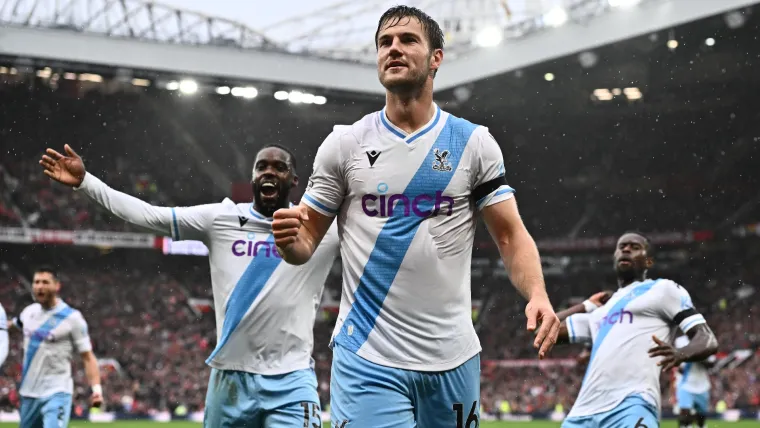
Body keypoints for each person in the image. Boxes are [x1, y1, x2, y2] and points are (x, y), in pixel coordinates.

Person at [271, 6, 560, 427]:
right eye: (384, 42)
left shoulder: (473, 143)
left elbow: (511, 236)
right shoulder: (344, 144)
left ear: (436, 58)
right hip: (367, 355)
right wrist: (289, 241)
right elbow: (306, 244)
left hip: (453, 357)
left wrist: (537, 293)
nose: (394, 49)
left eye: (408, 40)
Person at [39, 144, 338, 427]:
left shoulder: (319, 229)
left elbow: (375, 236)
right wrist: (86, 182)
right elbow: (148, 214)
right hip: (230, 379)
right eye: (262, 166)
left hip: (292, 378)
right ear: (253, 178)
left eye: (279, 167)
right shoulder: (221, 218)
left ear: (295, 180)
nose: (269, 172)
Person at [555, 232, 719, 428]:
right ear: (615, 257)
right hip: (582, 413)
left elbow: (707, 339)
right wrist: (586, 305)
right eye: (621, 246)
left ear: (648, 262)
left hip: (631, 405)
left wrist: (681, 353)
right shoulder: (600, 312)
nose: (626, 249)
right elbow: (543, 331)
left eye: (634, 247)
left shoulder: (663, 290)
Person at [8, 266, 103, 428]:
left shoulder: (72, 318)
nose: (39, 286)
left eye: (45, 282)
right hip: (29, 393)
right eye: (36, 282)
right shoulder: (29, 313)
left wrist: (96, 389)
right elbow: (12, 326)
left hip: (57, 391)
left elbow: (88, 356)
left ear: (56, 286)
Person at [674, 334, 715, 428]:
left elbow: (712, 363)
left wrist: (698, 356)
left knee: (701, 420)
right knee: (685, 414)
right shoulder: (680, 341)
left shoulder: (707, 340)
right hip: (685, 383)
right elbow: (679, 364)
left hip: (702, 385)